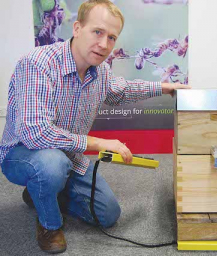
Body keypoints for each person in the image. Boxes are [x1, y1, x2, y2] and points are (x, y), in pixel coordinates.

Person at [0, 0, 190, 254]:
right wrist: (99, 143)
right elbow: (36, 134)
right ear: (77, 28)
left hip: (68, 155)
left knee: (107, 213)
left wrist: (163, 87)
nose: (104, 44)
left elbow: (121, 90)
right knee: (50, 165)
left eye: (112, 37)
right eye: (98, 32)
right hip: (22, 154)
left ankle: (41, 192)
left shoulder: (99, 72)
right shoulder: (37, 64)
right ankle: (49, 224)